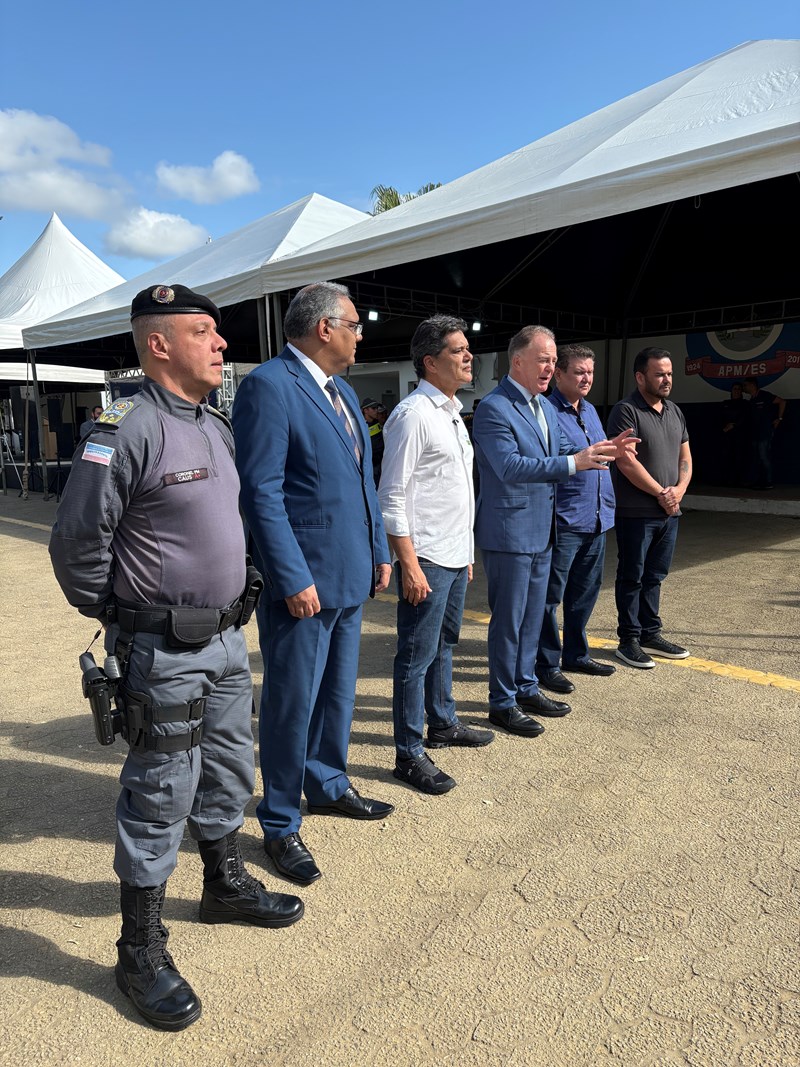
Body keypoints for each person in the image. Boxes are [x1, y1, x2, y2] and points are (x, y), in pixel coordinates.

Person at [49, 284, 303, 1033]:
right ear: (158, 344)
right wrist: (124, 615)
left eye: (218, 333)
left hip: (225, 639)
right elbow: (77, 543)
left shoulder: (213, 423)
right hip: (163, 649)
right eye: (203, 332)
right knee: (161, 789)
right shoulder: (125, 427)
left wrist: (241, 579)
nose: (221, 344)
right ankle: (139, 948)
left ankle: (222, 885)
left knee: (228, 767)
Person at [232, 282, 394, 889]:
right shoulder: (270, 386)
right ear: (324, 327)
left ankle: (326, 782)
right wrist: (291, 575)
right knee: (292, 702)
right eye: (354, 324)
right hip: (304, 581)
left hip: (349, 571)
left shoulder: (344, 391)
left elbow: (363, 482)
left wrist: (378, 550)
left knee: (338, 695)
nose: (361, 334)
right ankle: (279, 821)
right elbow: (261, 493)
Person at [472, 325, 636, 737]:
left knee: (533, 617)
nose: (549, 367)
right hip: (509, 532)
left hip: (543, 530)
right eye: (543, 360)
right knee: (509, 621)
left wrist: (602, 451)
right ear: (518, 361)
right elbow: (509, 466)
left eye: (552, 360)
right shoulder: (494, 407)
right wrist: (573, 463)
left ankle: (527, 687)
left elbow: (562, 453)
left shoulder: (542, 408)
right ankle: (502, 702)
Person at [378, 315, 494, 795]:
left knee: (444, 644)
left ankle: (442, 722)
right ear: (430, 361)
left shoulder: (449, 412)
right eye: (457, 350)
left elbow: (454, 491)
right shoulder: (413, 415)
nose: (469, 356)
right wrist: (408, 563)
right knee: (415, 657)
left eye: (468, 348)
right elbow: (392, 495)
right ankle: (408, 754)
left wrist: (466, 553)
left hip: (452, 553)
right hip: (424, 557)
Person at [535, 344, 617, 694]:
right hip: (564, 521)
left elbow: (597, 456)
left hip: (596, 518)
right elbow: (551, 460)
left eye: (590, 372)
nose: (587, 378)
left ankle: (576, 654)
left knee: (584, 593)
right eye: (579, 372)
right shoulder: (546, 412)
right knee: (549, 597)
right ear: (559, 374)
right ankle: (545, 664)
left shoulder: (591, 410)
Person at [607, 346, 693, 669]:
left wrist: (678, 491)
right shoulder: (626, 411)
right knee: (632, 575)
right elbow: (626, 462)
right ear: (640, 377)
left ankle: (650, 633)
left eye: (669, 374)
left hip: (669, 512)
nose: (666, 379)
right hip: (636, 512)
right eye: (659, 374)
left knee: (655, 575)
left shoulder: (675, 412)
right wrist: (661, 493)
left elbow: (685, 457)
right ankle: (628, 639)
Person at [741, 376, 786, 489]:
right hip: (755, 433)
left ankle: (768, 481)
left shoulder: (765, 395)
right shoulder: (752, 400)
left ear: (752, 385)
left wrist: (779, 418)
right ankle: (759, 481)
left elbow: (782, 401)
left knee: (764, 456)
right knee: (757, 458)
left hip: (765, 432)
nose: (744, 387)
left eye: (745, 385)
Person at [720, 382, 747, 487]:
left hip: (740, 436)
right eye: (734, 389)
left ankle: (739, 481)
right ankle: (727, 480)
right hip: (726, 435)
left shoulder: (745, 404)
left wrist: (734, 425)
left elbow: (746, 418)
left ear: (741, 391)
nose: (736, 391)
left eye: (738, 389)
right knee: (727, 457)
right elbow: (719, 418)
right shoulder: (725, 403)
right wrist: (724, 428)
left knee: (739, 457)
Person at [360, 397, 387, 486]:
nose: (376, 411)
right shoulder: (360, 425)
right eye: (373, 408)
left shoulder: (377, 422)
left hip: (380, 465)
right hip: (370, 467)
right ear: (365, 410)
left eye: (377, 408)